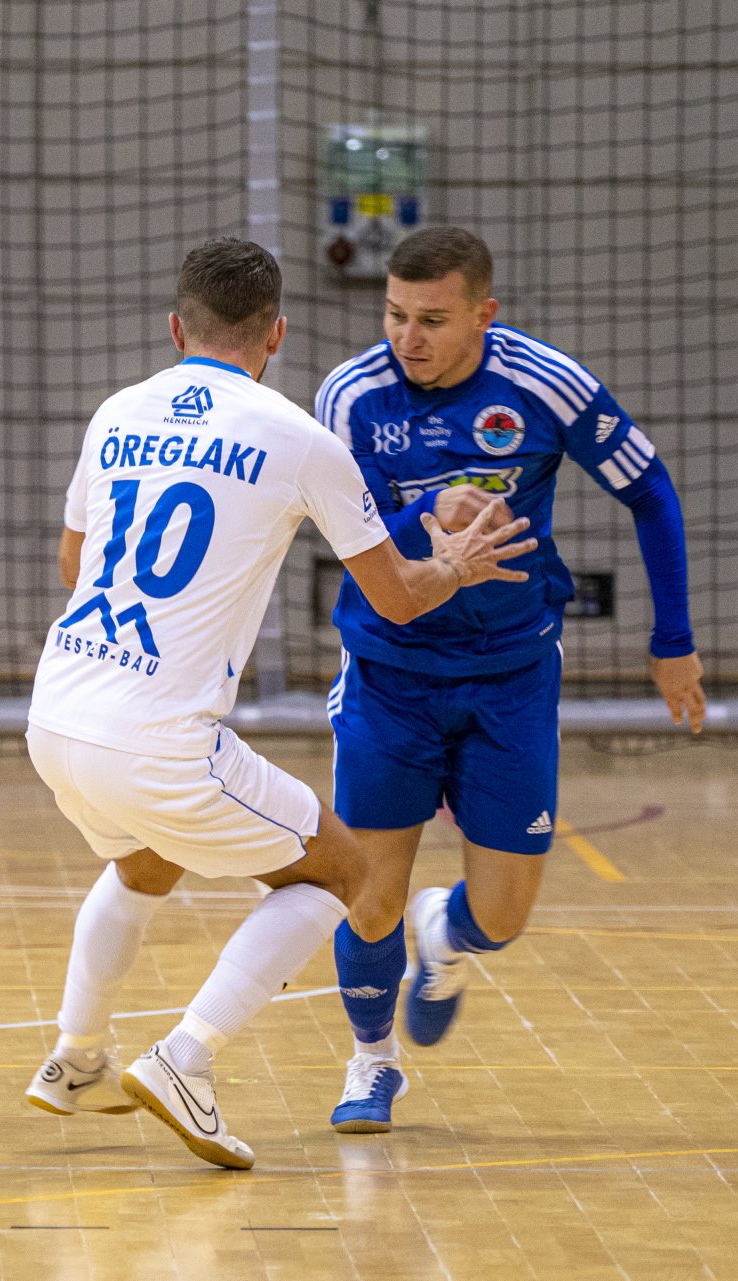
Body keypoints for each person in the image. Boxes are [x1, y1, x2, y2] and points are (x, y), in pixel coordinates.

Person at [23, 237, 536, 1169]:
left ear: (177, 328)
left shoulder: (116, 412)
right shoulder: (300, 436)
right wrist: (454, 565)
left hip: (56, 715)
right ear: (277, 336)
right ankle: (185, 1058)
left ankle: (75, 1057)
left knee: (145, 863)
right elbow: (395, 595)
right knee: (345, 877)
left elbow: (73, 565)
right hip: (158, 735)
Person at [316, 226, 704, 1132]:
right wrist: (426, 513)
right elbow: (347, 522)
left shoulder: (546, 385)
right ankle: (373, 1062)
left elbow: (650, 490)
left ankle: (444, 938)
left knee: (504, 912)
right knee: (367, 891)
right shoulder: (351, 395)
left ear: (485, 315)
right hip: (391, 671)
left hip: (511, 675)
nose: (407, 338)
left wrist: (674, 638)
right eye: (395, 315)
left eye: (433, 320)